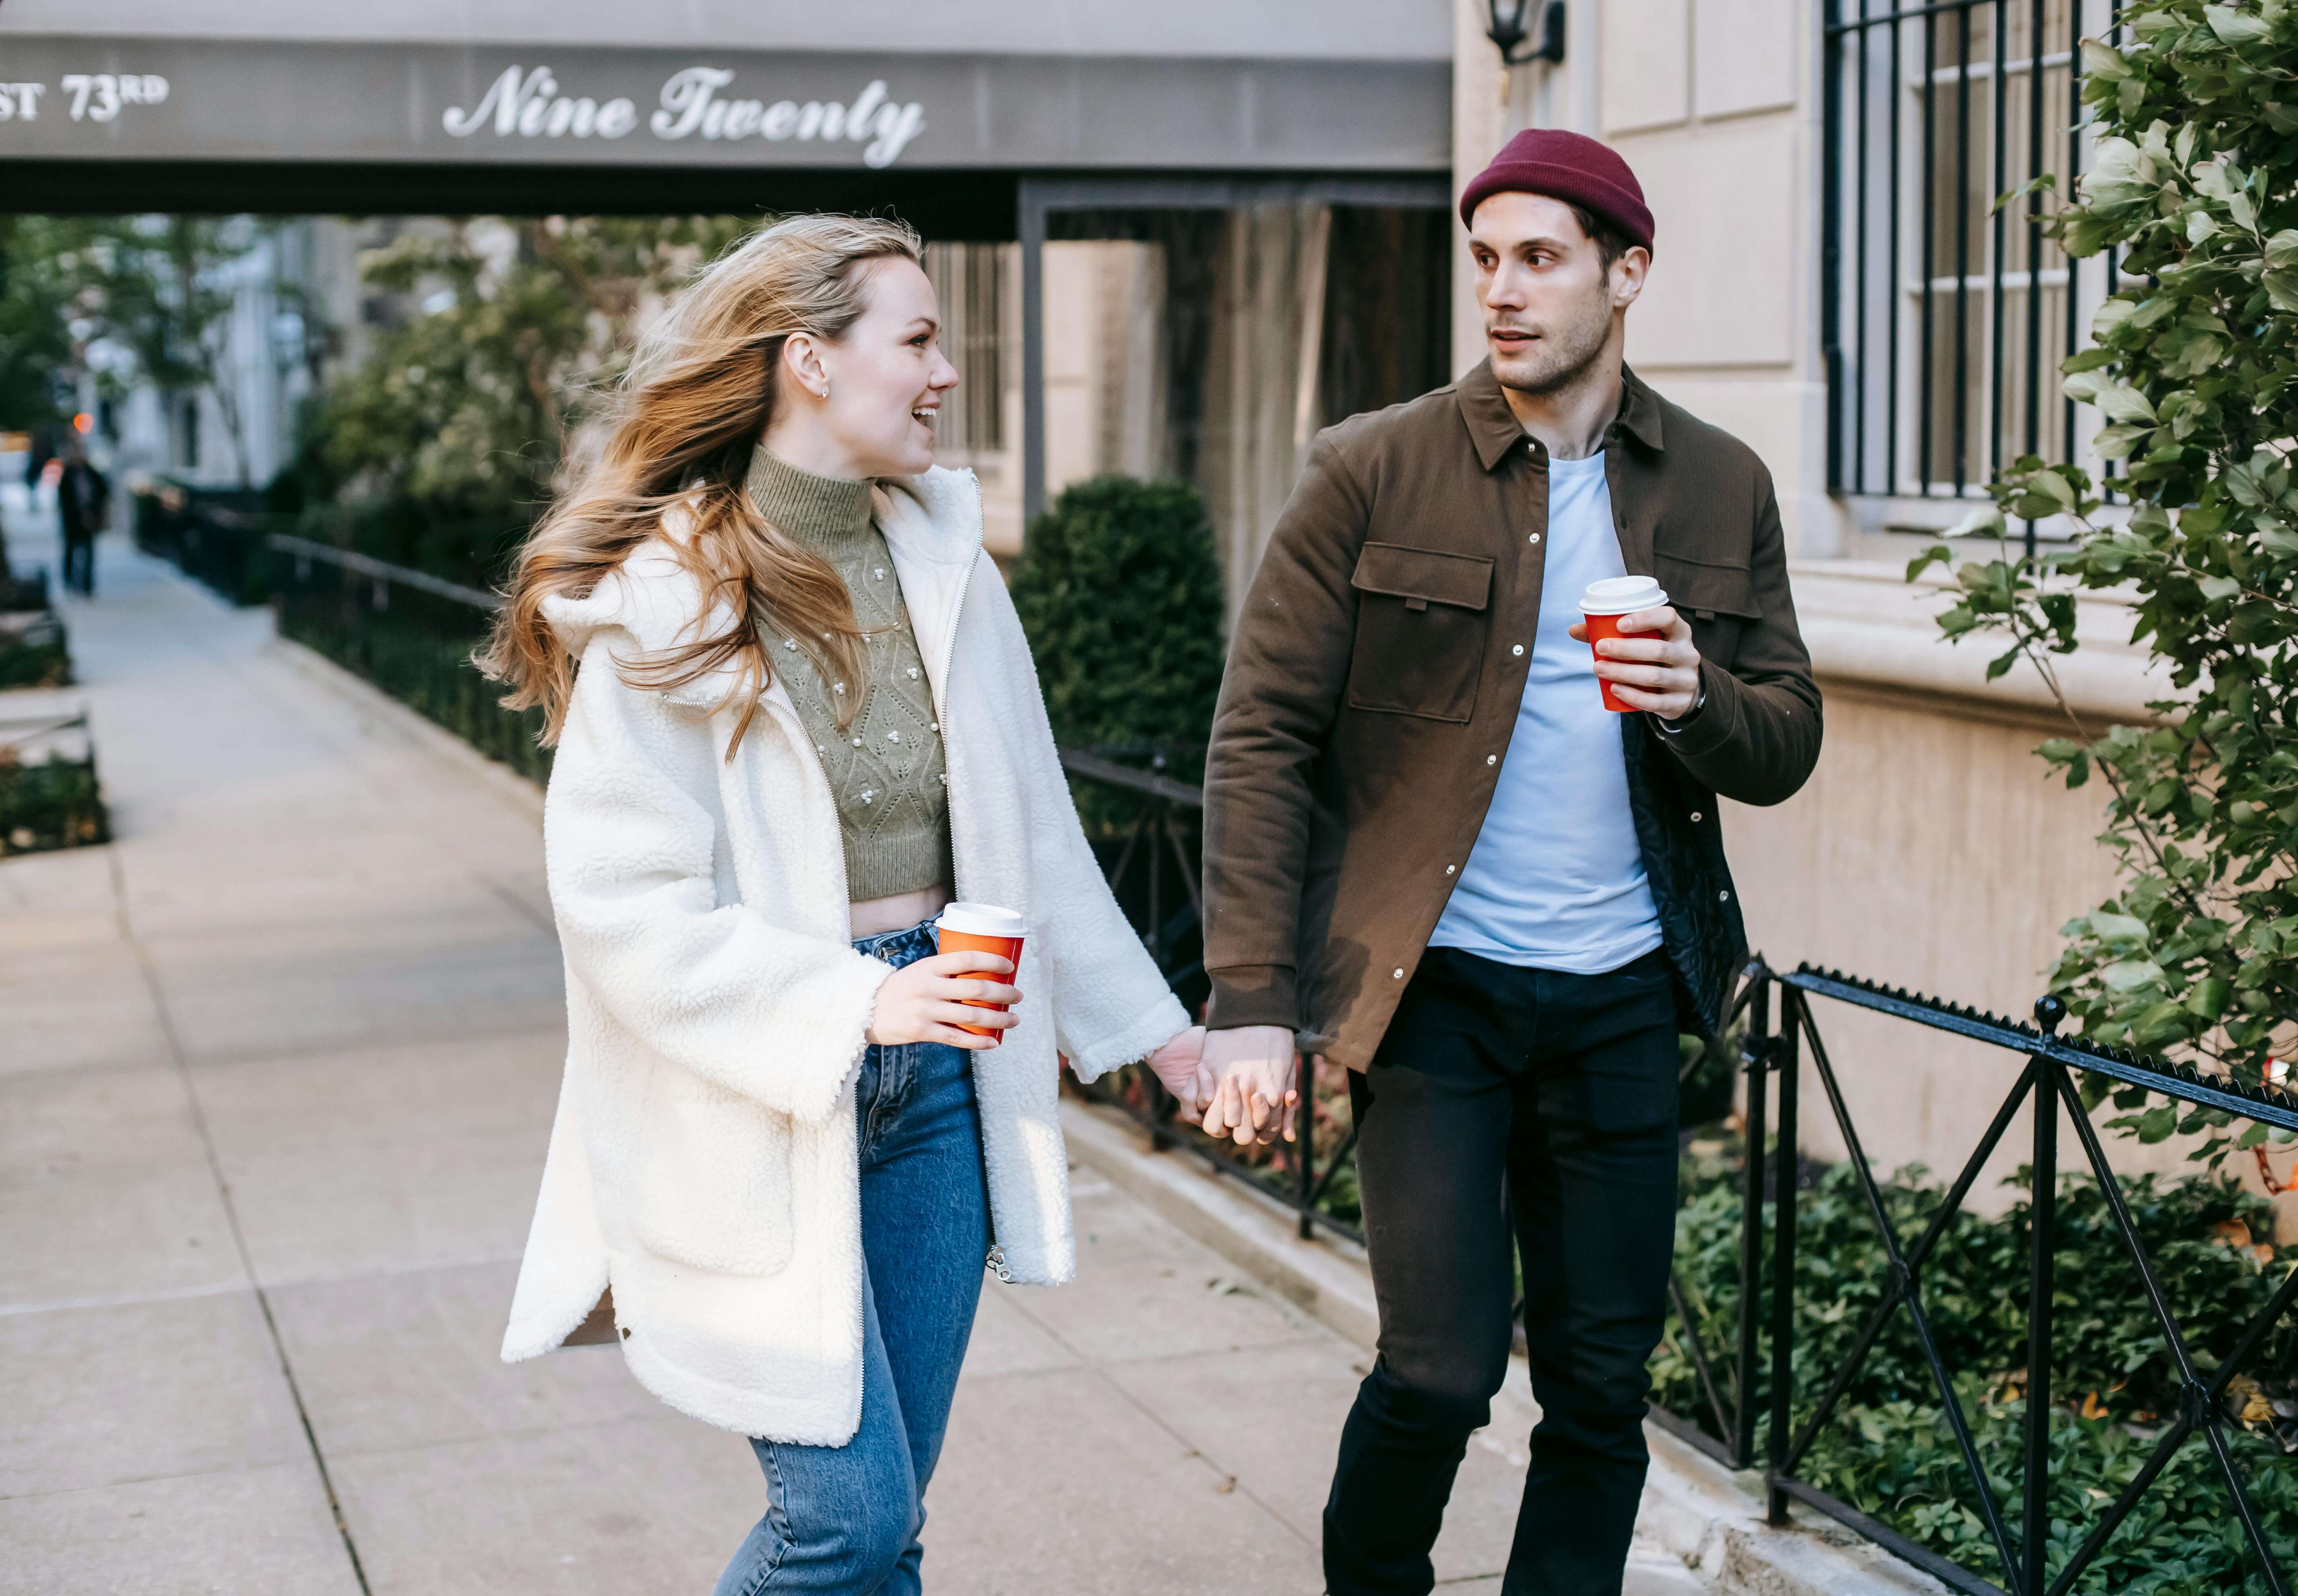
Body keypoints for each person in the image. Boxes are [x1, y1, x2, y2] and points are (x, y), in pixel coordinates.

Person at [483, 214, 1208, 1596]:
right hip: (752, 1097)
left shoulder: (948, 566)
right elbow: (622, 909)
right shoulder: (661, 601)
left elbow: (1034, 836)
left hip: (940, 1077)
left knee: (895, 1523)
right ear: (809, 360)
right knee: (846, 1523)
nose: (945, 373)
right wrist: (858, 998)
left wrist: (1155, 1035)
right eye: (919, 339)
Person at [1196, 130, 1822, 1595]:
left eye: (1538, 257)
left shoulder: (1721, 485)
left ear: (1627, 272)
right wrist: (1247, 996)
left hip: (1620, 994)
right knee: (1436, 1365)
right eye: (1485, 258)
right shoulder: (1368, 467)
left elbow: (1785, 737)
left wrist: (1695, 699)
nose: (1502, 289)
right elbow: (1260, 737)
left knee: (1601, 1389)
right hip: (1440, 993)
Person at [56, 437, 107, 597]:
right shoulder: (67, 476)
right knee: (71, 551)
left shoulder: (92, 473)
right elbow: (64, 501)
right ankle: (70, 582)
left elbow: (103, 492)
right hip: (73, 520)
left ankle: (87, 585)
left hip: (90, 519)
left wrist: (96, 514)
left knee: (89, 552)